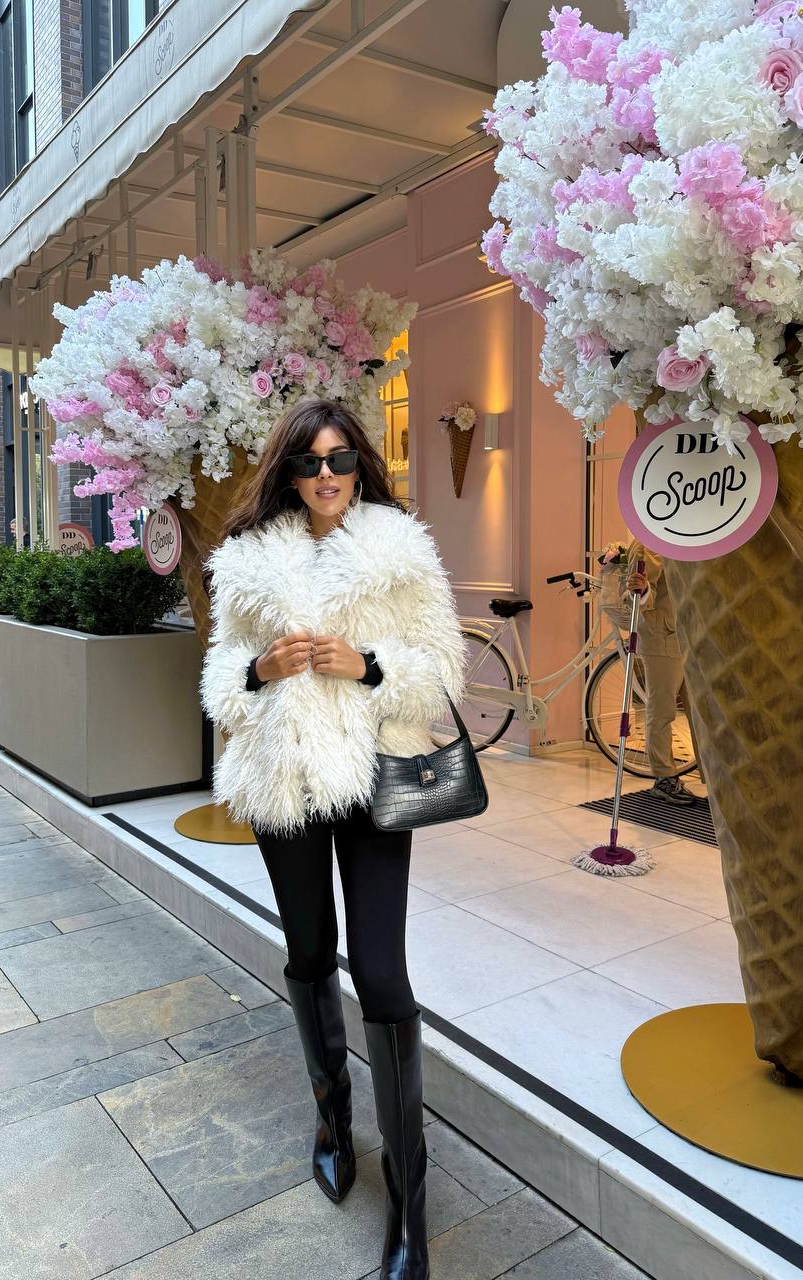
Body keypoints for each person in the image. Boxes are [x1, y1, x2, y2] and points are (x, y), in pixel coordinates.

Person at [200, 399, 466, 1280]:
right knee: (310, 951)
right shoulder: (245, 563)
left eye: (342, 458)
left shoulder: (400, 551)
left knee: (382, 973)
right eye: (310, 462)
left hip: (373, 778)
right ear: (287, 472)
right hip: (285, 781)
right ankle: (330, 1114)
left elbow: (438, 675)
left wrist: (368, 664)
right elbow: (221, 697)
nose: (327, 475)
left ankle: (408, 1202)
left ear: (362, 466)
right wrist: (259, 669)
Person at [626, 540, 697, 806]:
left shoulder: (686, 539)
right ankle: (664, 778)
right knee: (663, 709)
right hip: (662, 638)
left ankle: (709, 772)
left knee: (699, 710)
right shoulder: (648, 546)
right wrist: (642, 589)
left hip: (687, 635)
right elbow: (640, 596)